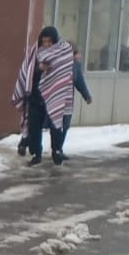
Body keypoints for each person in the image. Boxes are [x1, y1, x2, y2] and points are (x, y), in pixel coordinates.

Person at [13, 26, 91, 166]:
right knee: (34, 127)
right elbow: (27, 72)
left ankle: (57, 151)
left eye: (50, 41)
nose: (47, 44)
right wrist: (39, 69)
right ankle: (36, 154)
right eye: (44, 41)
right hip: (37, 97)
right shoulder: (34, 53)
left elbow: (76, 77)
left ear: (55, 41)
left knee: (57, 126)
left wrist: (86, 95)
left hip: (56, 98)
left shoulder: (64, 55)